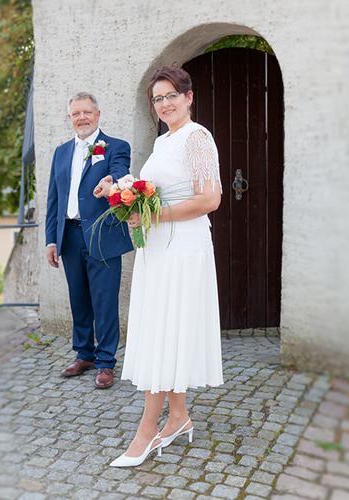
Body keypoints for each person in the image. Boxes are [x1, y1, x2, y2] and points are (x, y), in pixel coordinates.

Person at [94, 63, 223, 466]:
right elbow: (156, 191)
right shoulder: (164, 141)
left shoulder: (197, 137)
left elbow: (210, 199)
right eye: (157, 99)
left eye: (171, 95)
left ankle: (147, 431)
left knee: (166, 329)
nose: (164, 103)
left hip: (184, 248)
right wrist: (120, 191)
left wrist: (153, 216)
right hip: (159, 249)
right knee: (164, 328)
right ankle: (180, 417)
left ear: (188, 97)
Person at [46, 91, 133, 389]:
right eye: (76, 114)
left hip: (102, 235)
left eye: (87, 112)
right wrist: (51, 240)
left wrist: (111, 181)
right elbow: (54, 200)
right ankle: (85, 354)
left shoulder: (114, 147)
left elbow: (120, 172)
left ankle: (106, 361)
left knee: (104, 301)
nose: (81, 118)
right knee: (79, 299)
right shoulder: (60, 152)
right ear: (69, 118)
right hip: (68, 235)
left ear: (97, 115)